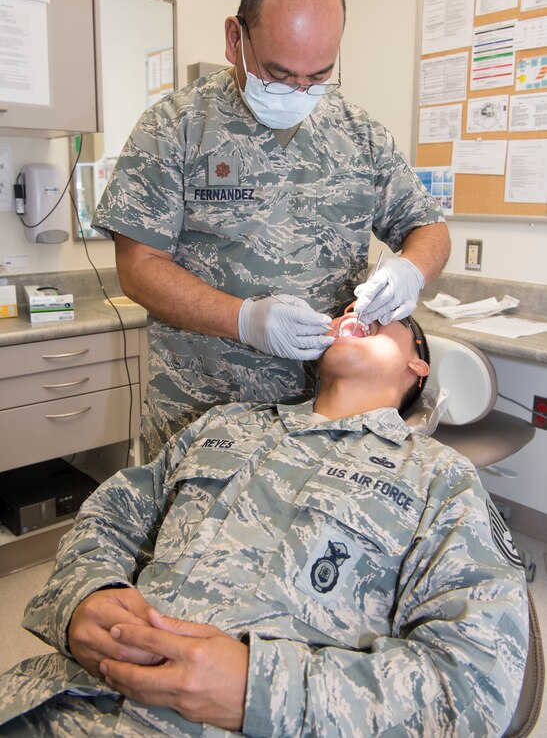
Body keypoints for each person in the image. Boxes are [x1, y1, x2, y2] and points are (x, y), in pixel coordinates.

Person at [0, 312, 528, 736]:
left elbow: (474, 684)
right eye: (349, 309)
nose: (358, 313)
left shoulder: (439, 477)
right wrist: (84, 596)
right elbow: (109, 517)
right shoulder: (224, 423)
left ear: (419, 366)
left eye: (387, 315)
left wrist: (260, 688)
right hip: (62, 704)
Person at [92, 0, 451, 459]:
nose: (300, 91)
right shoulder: (173, 129)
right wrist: (243, 319)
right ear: (236, 39)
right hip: (199, 424)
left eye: (319, 74)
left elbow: (429, 229)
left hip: (322, 432)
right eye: (279, 74)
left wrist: (412, 269)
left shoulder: (360, 135)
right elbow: (138, 269)